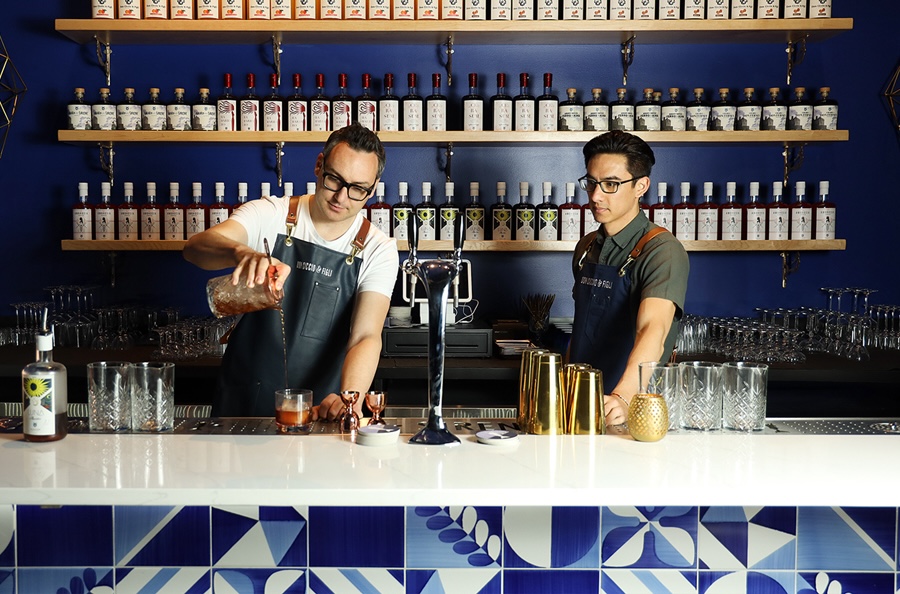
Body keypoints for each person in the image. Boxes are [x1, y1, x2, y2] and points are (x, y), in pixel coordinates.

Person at [184, 123, 398, 420]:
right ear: (319, 165)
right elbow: (195, 248)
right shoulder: (270, 214)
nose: (341, 198)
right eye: (334, 180)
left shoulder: (378, 248)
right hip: (244, 407)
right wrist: (241, 251)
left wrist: (351, 399)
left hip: (321, 411)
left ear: (372, 190)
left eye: (358, 189)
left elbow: (365, 335)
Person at [569, 130, 689, 426]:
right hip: (579, 403)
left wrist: (622, 397)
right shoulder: (586, 248)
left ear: (641, 186)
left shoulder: (662, 251)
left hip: (633, 410)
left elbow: (653, 330)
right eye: (592, 183)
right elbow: (582, 328)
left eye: (611, 184)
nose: (596, 196)